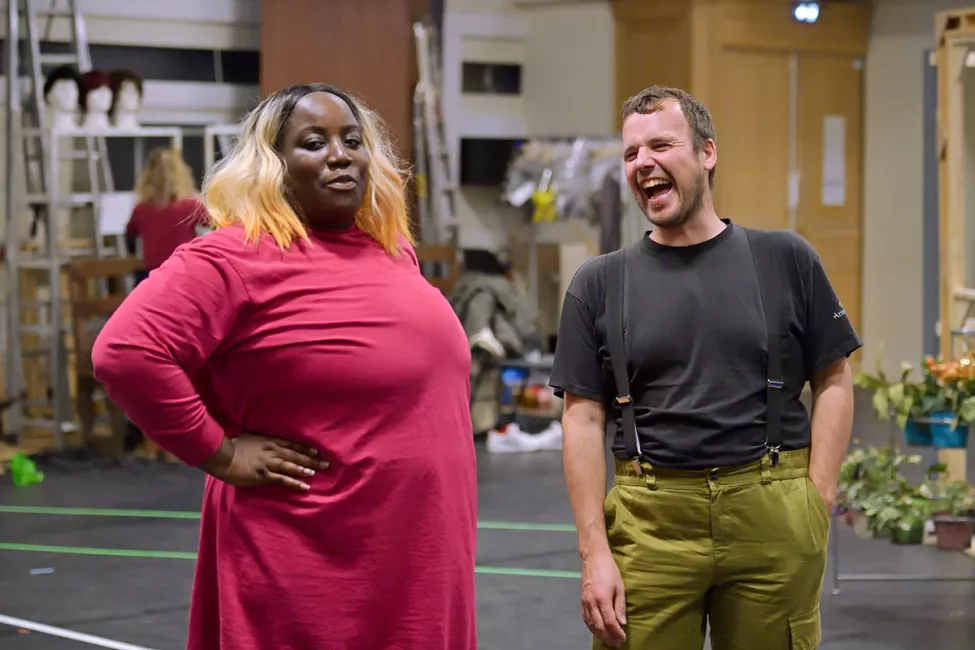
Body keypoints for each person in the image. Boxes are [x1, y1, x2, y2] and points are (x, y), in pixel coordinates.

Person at [92, 83, 478, 650]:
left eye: (352, 140)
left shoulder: (391, 249)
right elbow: (126, 353)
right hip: (313, 559)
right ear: (272, 165)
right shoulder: (232, 257)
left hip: (419, 553)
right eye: (313, 142)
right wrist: (218, 451)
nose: (340, 154)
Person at [550, 85, 860, 650]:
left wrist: (818, 499)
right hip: (649, 521)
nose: (643, 164)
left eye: (661, 146)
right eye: (631, 154)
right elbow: (583, 420)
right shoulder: (598, 284)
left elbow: (834, 378)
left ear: (707, 153)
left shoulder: (786, 259)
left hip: (772, 512)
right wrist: (595, 550)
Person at [125, 146, 209, 284]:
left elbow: (129, 236)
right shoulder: (188, 206)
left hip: (152, 274)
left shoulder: (141, 209)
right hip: (183, 271)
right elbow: (217, 223)